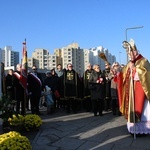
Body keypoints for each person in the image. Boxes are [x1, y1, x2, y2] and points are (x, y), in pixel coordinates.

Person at [116, 39, 150, 135]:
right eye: (128, 54)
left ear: (135, 52)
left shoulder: (143, 60)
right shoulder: (129, 63)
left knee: (142, 111)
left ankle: (143, 130)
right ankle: (133, 129)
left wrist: (135, 69)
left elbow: (146, 73)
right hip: (131, 92)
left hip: (141, 92)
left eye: (131, 53)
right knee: (132, 109)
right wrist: (118, 74)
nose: (129, 55)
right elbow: (124, 74)